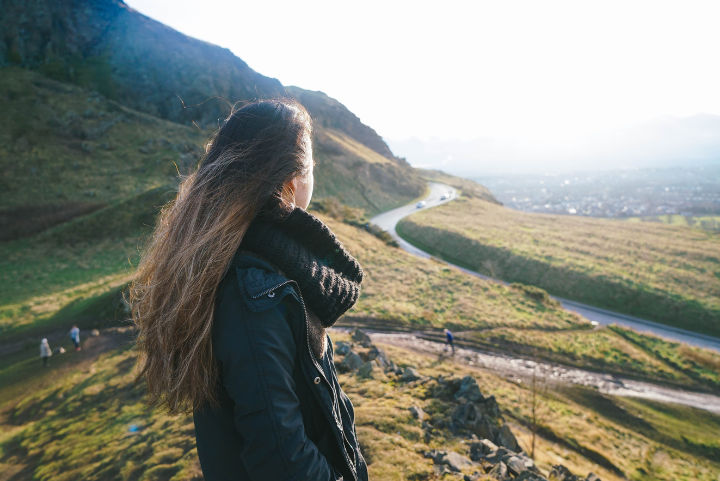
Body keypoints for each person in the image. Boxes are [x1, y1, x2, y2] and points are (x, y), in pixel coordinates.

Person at [130, 99, 368, 481]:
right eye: (310, 168)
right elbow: (283, 459)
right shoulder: (253, 291)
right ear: (291, 180)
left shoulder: (244, 264)